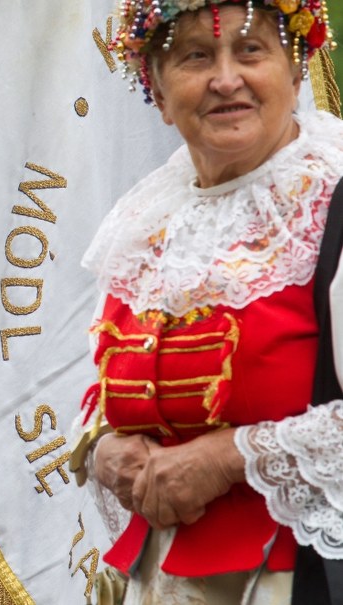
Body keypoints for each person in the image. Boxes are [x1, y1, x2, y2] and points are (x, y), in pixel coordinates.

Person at [71, 0, 340, 603]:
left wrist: (229, 458)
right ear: (159, 94)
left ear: (297, 73)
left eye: (250, 50)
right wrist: (102, 445)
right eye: (195, 56)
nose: (225, 78)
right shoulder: (144, 221)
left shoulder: (332, 202)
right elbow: (102, 386)